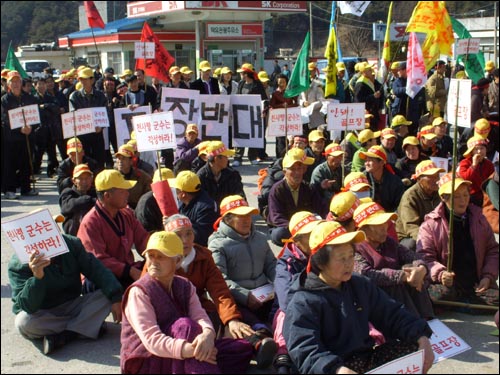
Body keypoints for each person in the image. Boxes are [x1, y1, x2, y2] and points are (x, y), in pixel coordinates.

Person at [283, 220, 435, 374]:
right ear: (320, 263)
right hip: (331, 368)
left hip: (363, 360)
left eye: (351, 256)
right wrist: (336, 369)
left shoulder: (359, 284)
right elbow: (305, 349)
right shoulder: (303, 301)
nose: (349, 263)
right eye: (342, 258)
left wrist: (421, 336)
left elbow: (391, 313)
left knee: (415, 349)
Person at [120, 231, 254, 374]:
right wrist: (193, 351)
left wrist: (207, 336)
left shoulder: (185, 285)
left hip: (182, 348)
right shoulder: (139, 292)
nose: (154, 261)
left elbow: (201, 317)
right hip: (148, 359)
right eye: (150, 256)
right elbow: (152, 340)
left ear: (177, 261)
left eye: (161, 256)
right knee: (185, 325)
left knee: (241, 348)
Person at [8, 233, 123, 355]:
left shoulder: (71, 244)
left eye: (52, 229)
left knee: (106, 296)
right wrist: (37, 277)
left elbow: (95, 269)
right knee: (23, 323)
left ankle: (65, 336)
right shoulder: (19, 262)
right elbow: (27, 306)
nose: (50, 236)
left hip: (73, 304)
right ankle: (83, 327)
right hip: (43, 313)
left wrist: (116, 297)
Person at [208, 195, 278, 369]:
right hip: (239, 297)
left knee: (286, 303)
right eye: (241, 217)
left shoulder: (260, 238)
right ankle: (261, 343)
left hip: (265, 292)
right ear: (228, 219)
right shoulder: (218, 245)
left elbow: (272, 265)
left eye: (248, 215)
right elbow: (220, 280)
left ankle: (275, 335)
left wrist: (280, 284)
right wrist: (245, 296)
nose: (247, 220)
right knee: (241, 318)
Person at [417, 173, 499, 309]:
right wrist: (441, 274)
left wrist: (487, 277)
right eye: (456, 197)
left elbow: (493, 250)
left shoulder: (479, 218)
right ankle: (466, 302)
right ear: (444, 198)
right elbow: (425, 256)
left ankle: (467, 301)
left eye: (465, 195)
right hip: (448, 285)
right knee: (436, 296)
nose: (463, 201)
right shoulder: (430, 225)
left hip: (476, 282)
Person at [353, 201, 435, 319]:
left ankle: (427, 319)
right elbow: (367, 275)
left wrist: (421, 269)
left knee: (414, 271)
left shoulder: (388, 241)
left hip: (398, 294)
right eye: (378, 225)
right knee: (396, 283)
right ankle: (412, 324)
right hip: (373, 298)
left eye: (385, 223)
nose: (384, 229)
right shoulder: (356, 249)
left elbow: (412, 256)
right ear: (364, 230)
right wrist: (402, 276)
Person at [77, 169, 150, 289]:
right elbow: (97, 261)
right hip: (103, 276)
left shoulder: (126, 214)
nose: (128, 193)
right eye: (123, 191)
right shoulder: (90, 222)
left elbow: (143, 240)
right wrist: (129, 271)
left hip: (127, 269)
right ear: (107, 196)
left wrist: (155, 255)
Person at [273, 211, 323, 374]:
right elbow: (286, 303)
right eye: (310, 234)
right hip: (298, 310)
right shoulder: (285, 264)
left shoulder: (322, 254)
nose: (316, 237)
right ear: (297, 240)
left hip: (321, 306)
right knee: (284, 317)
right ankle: (283, 358)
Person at [267, 147, 327, 246]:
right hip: (287, 227)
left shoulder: (307, 188)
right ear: (284, 172)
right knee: (279, 234)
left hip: (306, 225)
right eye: (293, 169)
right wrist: (296, 228)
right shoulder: (277, 190)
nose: (297, 173)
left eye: (300, 169)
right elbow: (277, 217)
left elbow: (321, 207)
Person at [1, 71, 39, 199]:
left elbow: (36, 116)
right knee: (10, 165)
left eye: (18, 81)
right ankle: (9, 190)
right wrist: (19, 129)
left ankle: (26, 188)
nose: (16, 84)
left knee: (27, 163)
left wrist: (31, 127)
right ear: (8, 84)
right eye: (13, 81)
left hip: (28, 136)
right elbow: (5, 119)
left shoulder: (29, 98)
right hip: (11, 138)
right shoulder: (4, 100)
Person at [396, 160, 444, 251]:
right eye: (431, 177)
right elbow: (411, 227)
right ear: (419, 180)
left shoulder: (439, 192)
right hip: (409, 236)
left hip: (433, 233)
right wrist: (431, 241)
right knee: (413, 244)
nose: (436, 180)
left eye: (437, 176)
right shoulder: (410, 196)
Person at [69, 67, 108, 169]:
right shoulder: (74, 96)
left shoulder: (101, 96)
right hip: (82, 136)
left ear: (92, 80)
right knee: (84, 164)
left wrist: (101, 127)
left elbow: (106, 114)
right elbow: (72, 115)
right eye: (81, 79)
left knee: (99, 163)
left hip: (97, 135)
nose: (83, 81)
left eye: (86, 79)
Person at [233, 63, 268, 166]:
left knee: (253, 135)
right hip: (242, 114)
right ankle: (238, 157)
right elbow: (237, 97)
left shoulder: (257, 85)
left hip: (254, 115)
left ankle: (252, 156)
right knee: (240, 135)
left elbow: (264, 99)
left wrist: (264, 110)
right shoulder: (241, 84)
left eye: (242, 73)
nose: (241, 75)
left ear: (247, 74)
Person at [197, 140, 245, 205]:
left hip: (229, 211)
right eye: (225, 156)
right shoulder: (201, 177)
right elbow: (200, 203)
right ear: (216, 158)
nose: (227, 159)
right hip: (209, 212)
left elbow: (240, 196)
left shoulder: (233, 175)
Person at [360, 145, 405, 212]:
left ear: (381, 163)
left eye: (370, 160)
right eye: (366, 160)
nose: (366, 163)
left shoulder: (395, 182)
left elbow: (399, 206)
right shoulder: (361, 179)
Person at [59, 163, 97, 236]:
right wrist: (87, 199)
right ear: (74, 181)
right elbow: (66, 208)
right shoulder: (68, 192)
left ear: (91, 179)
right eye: (81, 178)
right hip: (74, 230)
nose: (84, 182)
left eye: (87, 178)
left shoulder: (95, 192)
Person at [458, 135, 494, 207]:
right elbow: (465, 179)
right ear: (471, 152)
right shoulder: (465, 163)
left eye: (482, 148)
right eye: (476, 149)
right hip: (470, 196)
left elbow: (492, 180)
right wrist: (474, 165)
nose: (479, 151)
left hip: (486, 196)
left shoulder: (489, 164)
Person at [113, 143, 152, 210]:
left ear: (131, 161)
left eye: (123, 158)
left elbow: (148, 198)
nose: (120, 161)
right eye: (119, 158)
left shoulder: (143, 177)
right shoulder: (112, 177)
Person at [269, 73, 299, 158]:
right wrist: (281, 106)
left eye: (283, 82)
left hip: (290, 119)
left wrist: (289, 106)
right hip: (279, 121)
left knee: (290, 139)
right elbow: (272, 105)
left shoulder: (290, 92)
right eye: (279, 82)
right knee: (280, 140)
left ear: (286, 83)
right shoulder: (275, 94)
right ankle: (279, 158)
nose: (281, 84)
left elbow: (296, 104)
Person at [354, 62, 385, 131]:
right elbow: (358, 101)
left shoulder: (368, 81)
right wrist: (373, 96)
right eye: (369, 70)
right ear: (363, 72)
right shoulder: (360, 84)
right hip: (366, 115)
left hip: (373, 113)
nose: (371, 71)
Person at [300, 62, 325, 135]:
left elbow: (321, 100)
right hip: (304, 116)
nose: (310, 72)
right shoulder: (303, 83)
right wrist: (303, 103)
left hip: (315, 114)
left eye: (312, 71)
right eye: (308, 71)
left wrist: (311, 106)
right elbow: (299, 98)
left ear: (315, 71)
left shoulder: (319, 82)